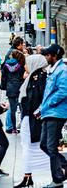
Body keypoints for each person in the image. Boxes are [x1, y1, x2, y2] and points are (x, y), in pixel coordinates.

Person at [15, 54, 50, 188]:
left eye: (27, 63)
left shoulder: (40, 78)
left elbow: (39, 98)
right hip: (28, 118)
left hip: (32, 119)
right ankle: (27, 177)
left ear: (34, 64)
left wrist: (36, 112)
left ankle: (61, 168)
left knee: (32, 147)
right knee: (28, 148)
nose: (25, 66)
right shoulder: (31, 78)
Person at [38, 44, 67, 188]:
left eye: (47, 55)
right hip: (49, 112)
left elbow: (63, 91)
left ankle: (57, 180)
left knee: (51, 146)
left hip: (57, 113)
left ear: (54, 56)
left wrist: (49, 104)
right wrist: (41, 108)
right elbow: (48, 93)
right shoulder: (53, 70)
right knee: (44, 144)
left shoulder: (62, 70)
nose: (46, 57)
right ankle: (64, 166)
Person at [2, 50, 25, 134]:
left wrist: (4, 87)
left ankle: (14, 128)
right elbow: (23, 77)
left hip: (10, 88)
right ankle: (23, 126)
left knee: (12, 110)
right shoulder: (20, 65)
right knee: (22, 108)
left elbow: (3, 78)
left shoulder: (6, 65)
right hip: (19, 88)